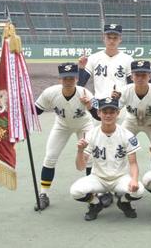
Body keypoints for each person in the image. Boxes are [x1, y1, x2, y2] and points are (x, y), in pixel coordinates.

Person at [69, 97, 144, 221]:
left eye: (112, 112)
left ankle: (124, 202)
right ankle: (95, 203)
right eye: (105, 112)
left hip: (120, 178)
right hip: (98, 178)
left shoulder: (127, 135)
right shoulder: (91, 134)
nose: (108, 115)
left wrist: (134, 180)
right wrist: (80, 151)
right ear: (99, 113)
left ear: (118, 113)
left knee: (139, 191)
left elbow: (133, 163)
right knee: (75, 191)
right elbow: (80, 167)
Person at [34, 63, 96, 210]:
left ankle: (91, 193)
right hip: (62, 126)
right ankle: (43, 195)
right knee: (50, 157)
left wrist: (89, 106)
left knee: (89, 159)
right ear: (59, 79)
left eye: (71, 78)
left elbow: (97, 116)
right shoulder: (50, 93)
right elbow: (36, 111)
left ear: (77, 78)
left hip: (84, 126)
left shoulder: (85, 93)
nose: (68, 81)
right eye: (65, 78)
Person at [98, 60, 151, 143]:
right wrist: (114, 101)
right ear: (131, 77)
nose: (140, 78)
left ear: (149, 76)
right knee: (119, 142)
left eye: (143, 75)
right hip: (131, 122)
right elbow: (113, 112)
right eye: (137, 75)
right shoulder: (124, 91)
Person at [78, 24, 133, 100]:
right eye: (109, 37)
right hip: (99, 102)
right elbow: (81, 84)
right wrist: (81, 68)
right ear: (103, 38)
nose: (111, 41)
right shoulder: (93, 58)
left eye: (115, 38)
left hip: (120, 102)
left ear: (120, 39)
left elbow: (132, 86)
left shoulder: (128, 59)